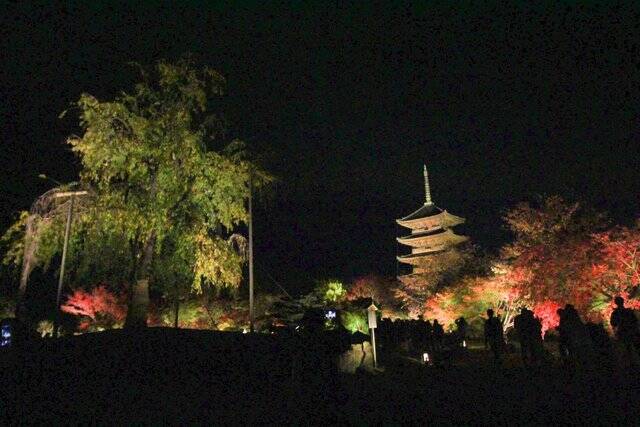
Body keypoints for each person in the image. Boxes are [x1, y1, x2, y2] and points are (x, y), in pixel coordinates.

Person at [610, 296, 639, 365]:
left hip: (623, 332)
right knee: (636, 346)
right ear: (623, 302)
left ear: (616, 303)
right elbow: (635, 320)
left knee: (627, 349)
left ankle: (631, 365)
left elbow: (613, 324)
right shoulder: (629, 311)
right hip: (632, 331)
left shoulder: (615, 313)